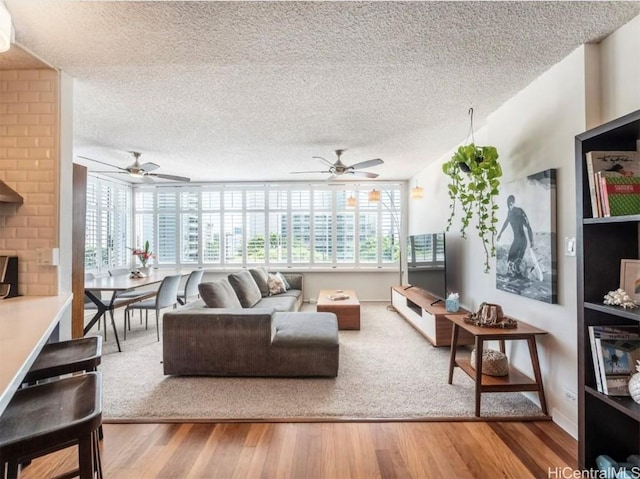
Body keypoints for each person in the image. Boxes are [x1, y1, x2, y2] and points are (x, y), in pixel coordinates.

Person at [497, 194, 534, 278]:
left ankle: (522, 276)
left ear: (513, 203)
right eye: (507, 204)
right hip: (516, 241)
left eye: (510, 204)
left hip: (522, 241)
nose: (509, 206)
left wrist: (531, 240)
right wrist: (500, 234)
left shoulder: (519, 211)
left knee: (516, 263)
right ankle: (516, 277)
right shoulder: (509, 213)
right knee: (510, 262)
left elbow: (528, 226)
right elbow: (506, 223)